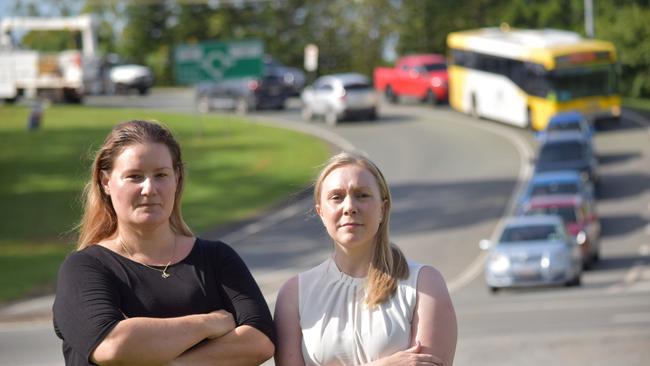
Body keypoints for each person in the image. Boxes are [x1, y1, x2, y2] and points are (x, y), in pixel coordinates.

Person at [53, 120, 275, 365]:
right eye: (134, 176)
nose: (149, 189)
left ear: (177, 179)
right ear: (106, 182)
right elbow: (112, 345)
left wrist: (170, 362)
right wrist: (209, 323)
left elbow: (260, 340)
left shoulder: (216, 259)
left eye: (160, 175)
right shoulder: (84, 268)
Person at [274, 152, 457, 366]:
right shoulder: (294, 293)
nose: (350, 207)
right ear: (321, 212)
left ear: (383, 209)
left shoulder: (424, 283)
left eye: (362, 195)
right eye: (336, 197)